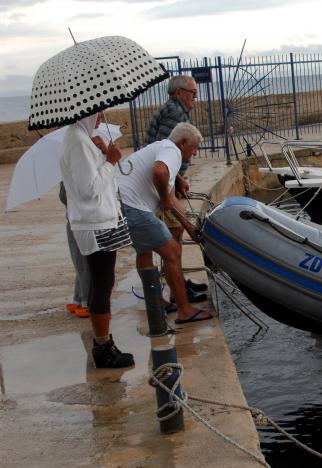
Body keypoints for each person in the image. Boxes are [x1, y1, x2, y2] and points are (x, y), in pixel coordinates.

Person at [117, 122, 213, 324]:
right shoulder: (172, 150)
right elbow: (160, 173)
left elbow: (171, 202)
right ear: (183, 143)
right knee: (172, 252)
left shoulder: (163, 147)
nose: (195, 153)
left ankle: (157, 302)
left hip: (118, 205)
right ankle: (185, 310)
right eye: (194, 147)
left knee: (144, 252)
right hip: (133, 208)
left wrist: (189, 227)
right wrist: (166, 197)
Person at [60, 113, 134, 368]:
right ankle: (103, 347)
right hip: (94, 223)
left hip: (100, 220)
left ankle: (104, 343)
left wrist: (103, 155)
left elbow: (95, 181)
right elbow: (88, 189)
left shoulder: (83, 139)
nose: (102, 115)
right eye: (98, 111)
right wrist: (110, 162)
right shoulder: (78, 141)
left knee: (103, 282)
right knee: (100, 284)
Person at [144, 75, 206, 303]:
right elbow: (164, 150)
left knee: (175, 236)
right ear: (179, 93)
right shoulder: (175, 113)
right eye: (192, 93)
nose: (195, 98)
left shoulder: (175, 110)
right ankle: (177, 291)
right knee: (175, 236)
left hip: (169, 183)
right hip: (164, 187)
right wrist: (177, 179)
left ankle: (179, 284)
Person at [59, 182, 90, 318]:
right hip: (84, 224)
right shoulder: (80, 170)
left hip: (73, 222)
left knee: (80, 265)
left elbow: (63, 196)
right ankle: (87, 303)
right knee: (86, 266)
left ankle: (79, 299)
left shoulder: (65, 171)